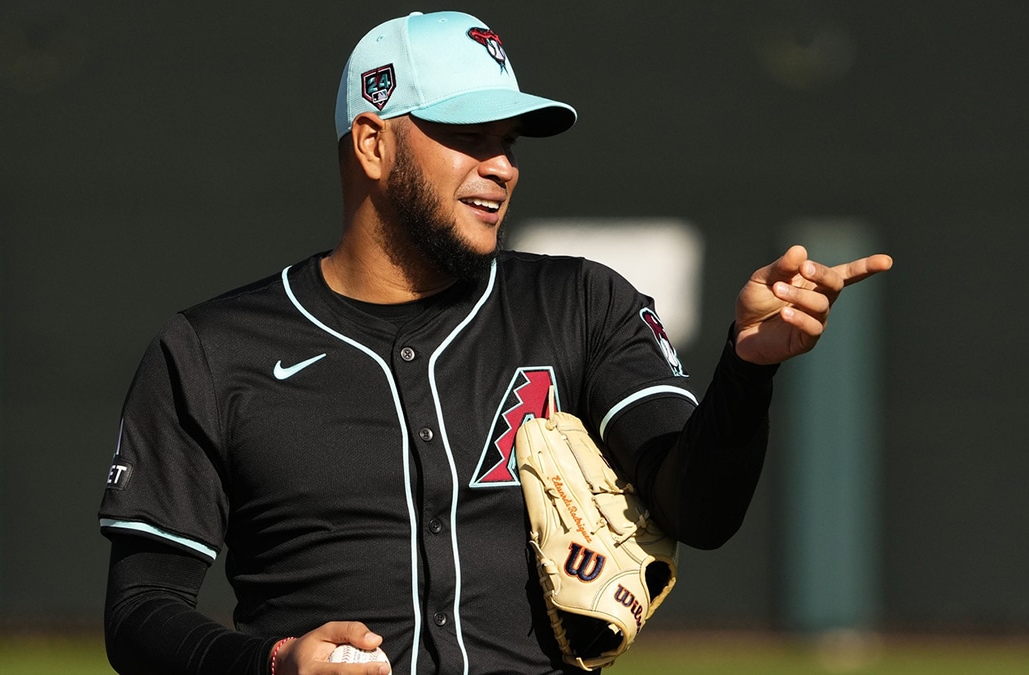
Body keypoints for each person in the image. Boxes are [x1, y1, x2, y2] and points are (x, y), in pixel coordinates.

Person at [98, 10, 892, 675]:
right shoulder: (212, 349)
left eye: (510, 139)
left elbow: (700, 507)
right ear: (373, 144)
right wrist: (273, 662)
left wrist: (746, 371)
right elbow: (141, 612)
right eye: (468, 134)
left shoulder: (580, 303)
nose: (502, 165)